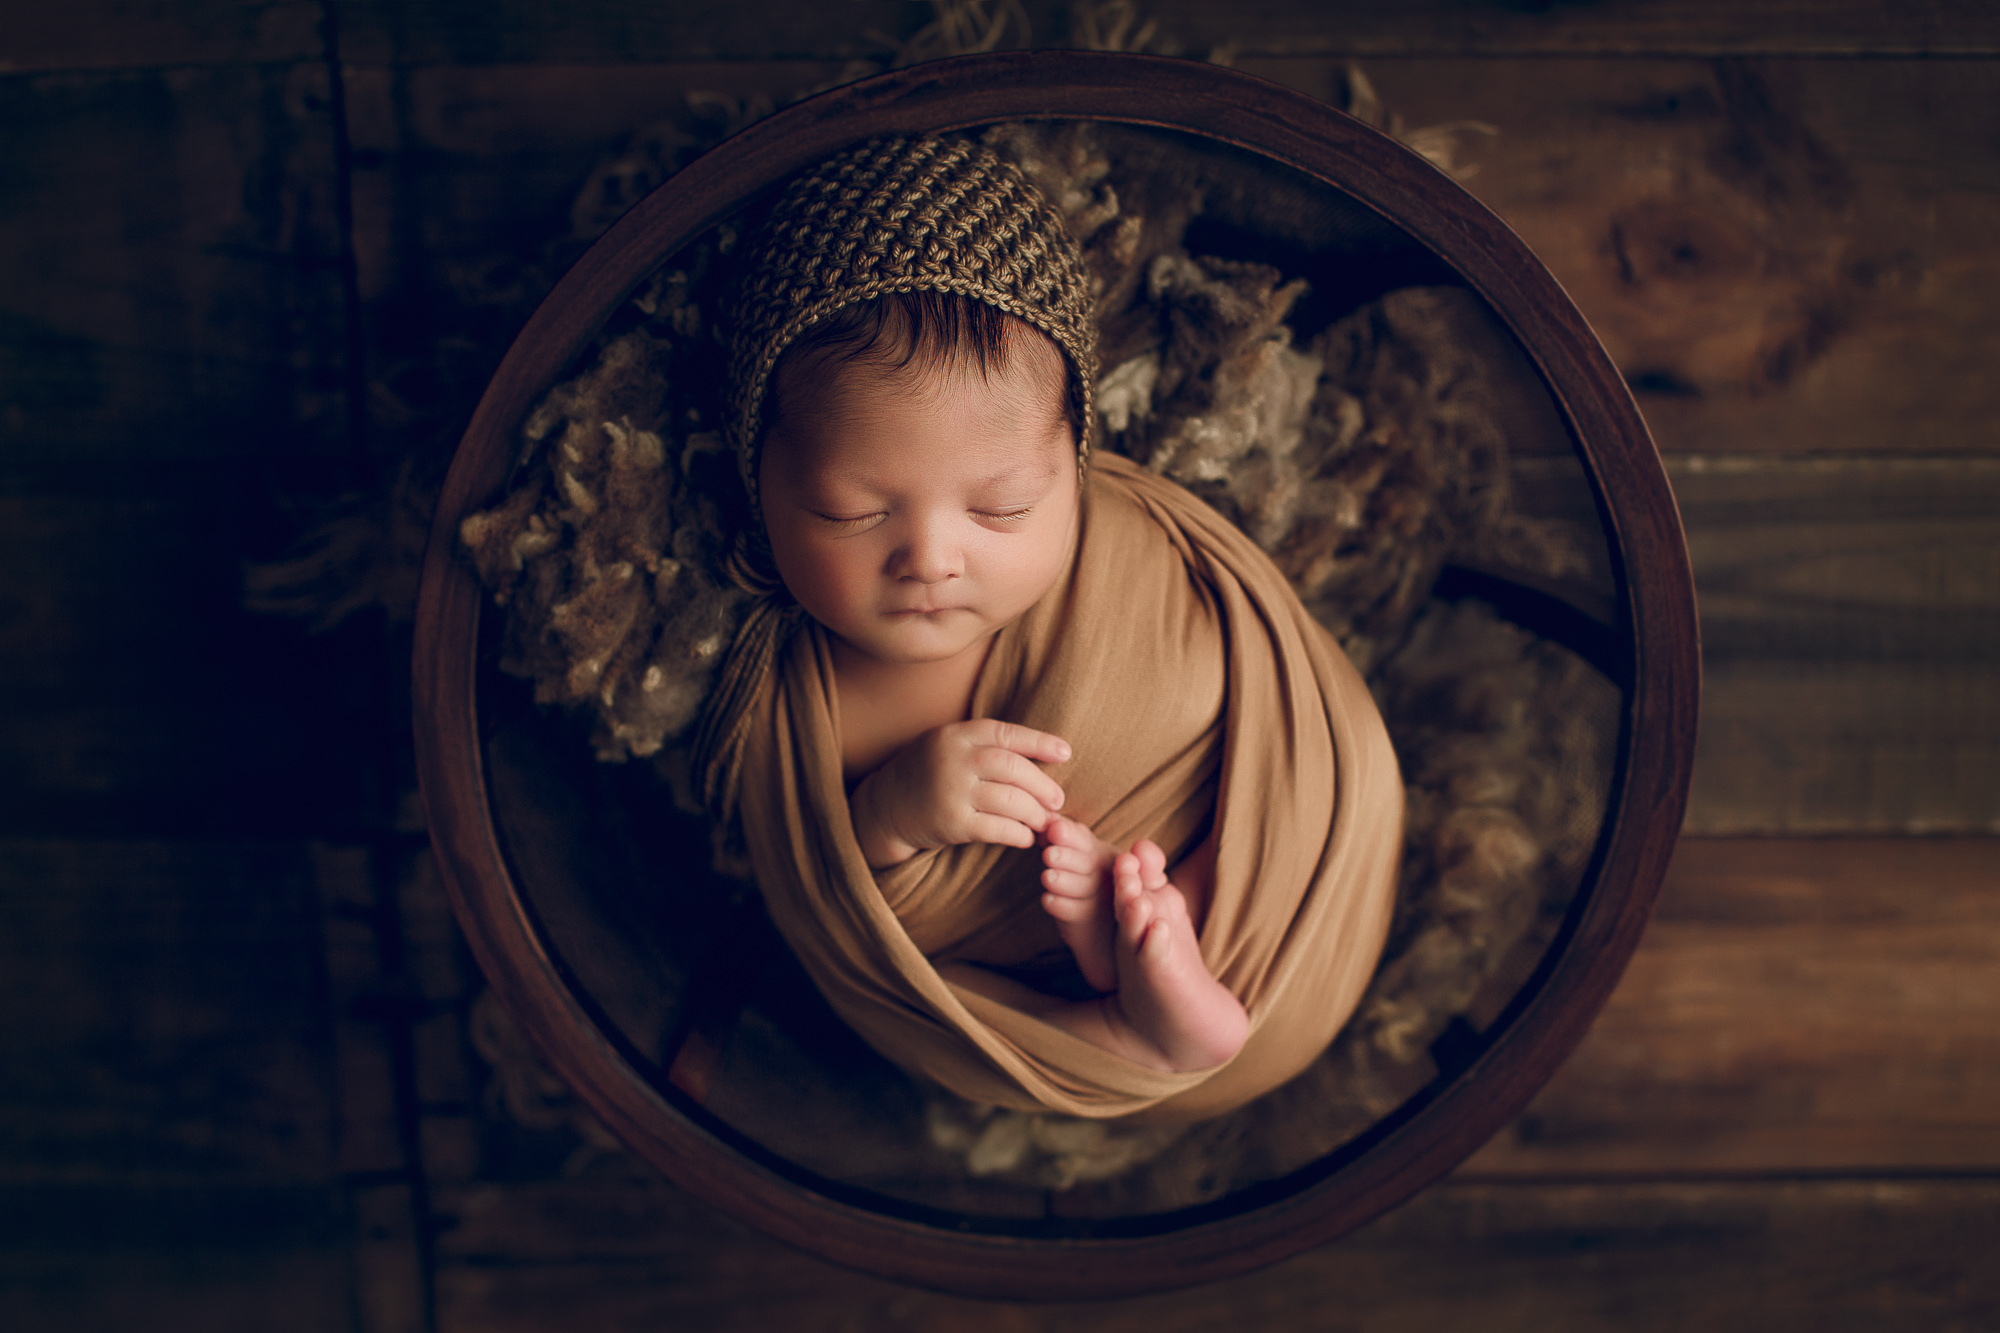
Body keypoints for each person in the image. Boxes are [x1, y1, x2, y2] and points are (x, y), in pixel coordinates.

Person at [696, 135, 1402, 1121]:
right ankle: (1129, 1018)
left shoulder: (1124, 533)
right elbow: (832, 904)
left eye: (1000, 510)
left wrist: (1211, 836)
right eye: (852, 513)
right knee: (944, 1000)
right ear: (754, 476)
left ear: (1075, 466)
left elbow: (1261, 653)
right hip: (1092, 1036)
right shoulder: (798, 699)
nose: (931, 558)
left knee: (1214, 735)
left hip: (1290, 857)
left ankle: (1166, 914)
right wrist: (892, 815)